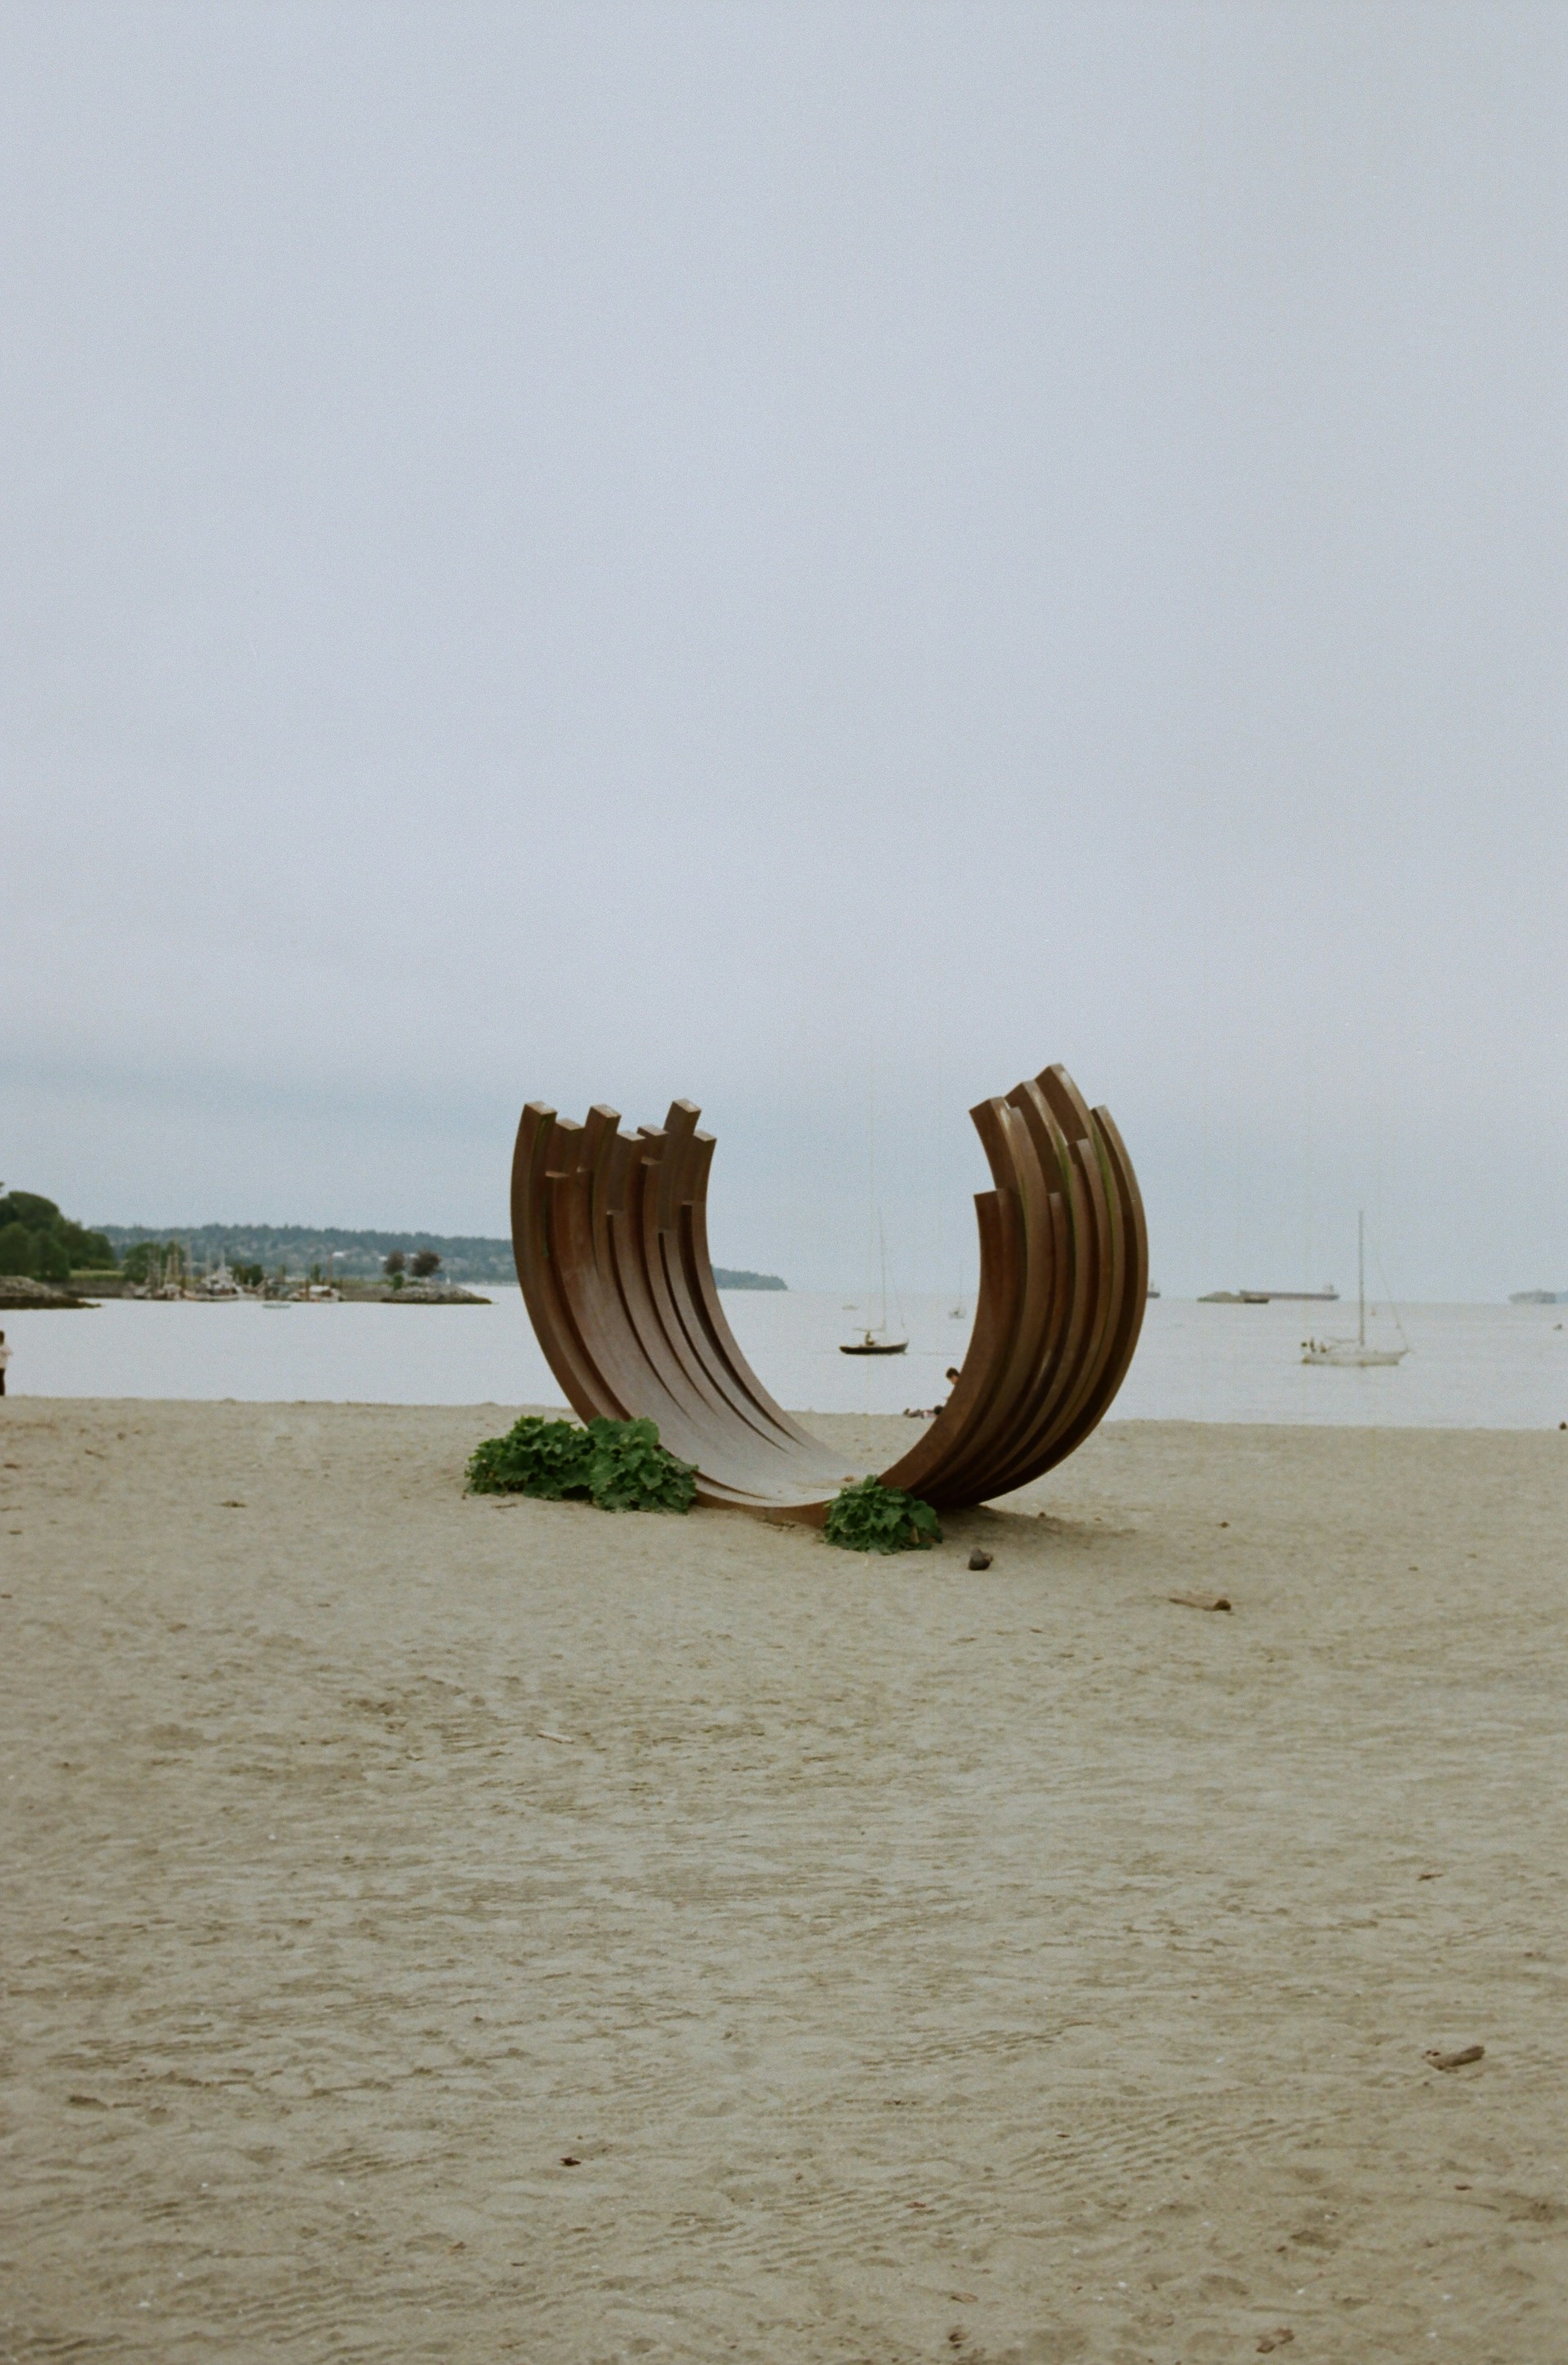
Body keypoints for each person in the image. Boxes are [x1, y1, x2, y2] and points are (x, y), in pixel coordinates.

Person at [0, 1329, 9, 1397]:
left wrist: (2, 1350)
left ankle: (2, 1393)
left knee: (1, 1379)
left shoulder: (4, 1346)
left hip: (2, 1366)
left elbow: (10, 1352)